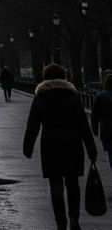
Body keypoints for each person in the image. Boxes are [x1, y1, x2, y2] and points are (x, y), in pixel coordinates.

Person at [23, 63, 97, 230]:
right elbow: (83, 125)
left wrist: (27, 147)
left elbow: (32, 126)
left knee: (55, 185)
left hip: (50, 144)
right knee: (72, 184)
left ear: (45, 77)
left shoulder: (40, 99)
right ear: (63, 76)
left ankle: (60, 222)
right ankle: (74, 219)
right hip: (72, 142)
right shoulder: (73, 97)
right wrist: (91, 149)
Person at [90, 72, 112, 170]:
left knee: (111, 152)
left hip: (107, 129)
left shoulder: (100, 96)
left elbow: (94, 115)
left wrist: (94, 129)